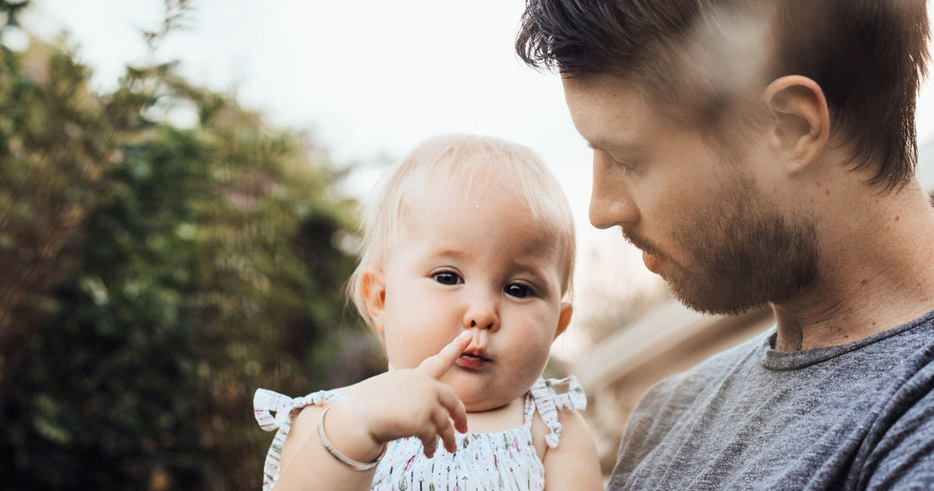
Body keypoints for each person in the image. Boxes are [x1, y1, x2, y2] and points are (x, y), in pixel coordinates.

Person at [515, 0, 934, 489]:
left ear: (791, 129)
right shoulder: (667, 414)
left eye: (627, 158)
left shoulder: (914, 412)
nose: (602, 209)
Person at [252, 134, 603, 491]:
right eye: (448, 277)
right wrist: (354, 432)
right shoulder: (329, 421)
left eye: (518, 289)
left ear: (557, 325)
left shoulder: (553, 430)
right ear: (381, 299)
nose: (482, 314)